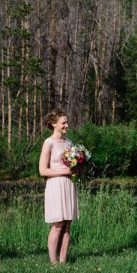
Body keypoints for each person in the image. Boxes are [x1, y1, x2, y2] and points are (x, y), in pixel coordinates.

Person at [39, 109, 78, 264]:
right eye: (63, 123)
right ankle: (53, 261)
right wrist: (65, 170)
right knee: (58, 224)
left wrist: (77, 169)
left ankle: (63, 260)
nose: (66, 125)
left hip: (68, 184)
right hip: (56, 184)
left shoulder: (69, 143)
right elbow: (42, 170)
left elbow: (73, 164)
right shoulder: (49, 143)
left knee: (67, 224)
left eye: (67, 122)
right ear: (54, 124)